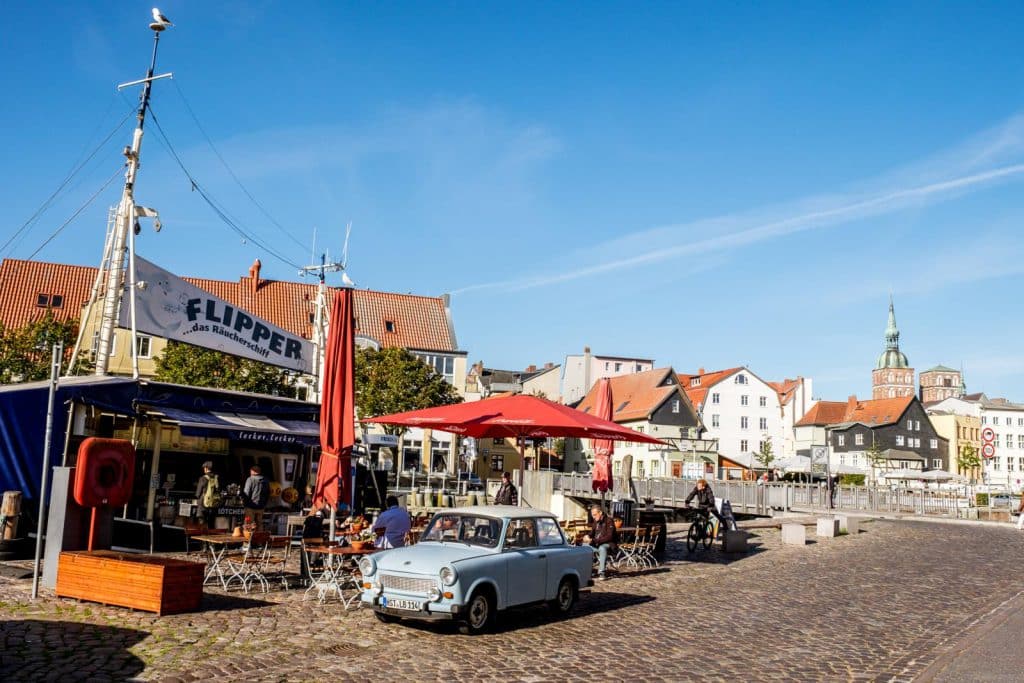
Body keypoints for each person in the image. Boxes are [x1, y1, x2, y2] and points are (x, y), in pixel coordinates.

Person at [582, 505, 617, 581]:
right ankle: (587, 570)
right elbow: (592, 532)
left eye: (595, 515)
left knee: (602, 548)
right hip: (596, 543)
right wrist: (587, 536)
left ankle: (602, 573)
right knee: (584, 546)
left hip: (609, 544)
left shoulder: (609, 521)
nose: (593, 517)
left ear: (600, 512)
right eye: (592, 515)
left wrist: (594, 541)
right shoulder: (596, 521)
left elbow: (609, 537)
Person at [242, 465, 270, 530]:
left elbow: (246, 493)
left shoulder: (250, 479)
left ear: (253, 471)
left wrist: (244, 503)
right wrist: (264, 504)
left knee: (248, 524)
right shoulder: (266, 480)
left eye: (251, 471)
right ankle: (259, 538)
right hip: (261, 507)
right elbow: (268, 493)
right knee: (259, 524)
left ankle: (248, 539)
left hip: (250, 507)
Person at [194, 461, 220, 529]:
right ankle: (210, 537)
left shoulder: (203, 478)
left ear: (206, 468)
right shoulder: (216, 478)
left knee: (202, 523)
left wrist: (197, 498)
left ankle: (203, 538)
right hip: (213, 504)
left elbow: (198, 493)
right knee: (211, 523)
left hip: (203, 504)